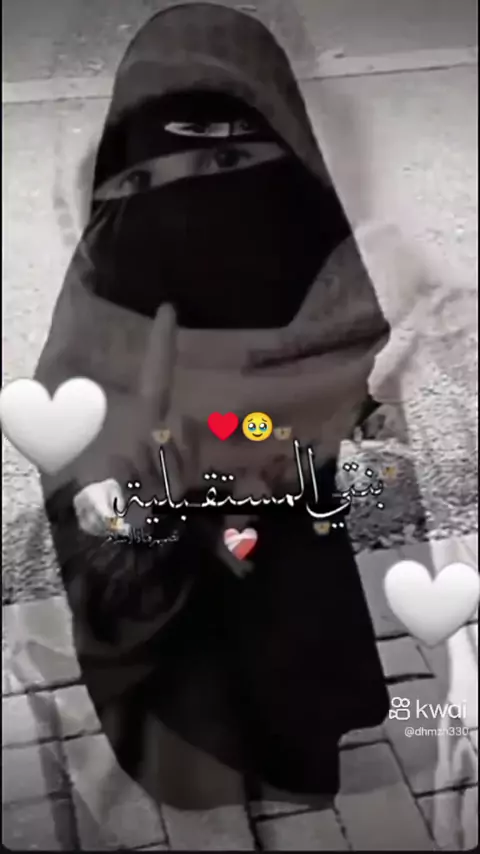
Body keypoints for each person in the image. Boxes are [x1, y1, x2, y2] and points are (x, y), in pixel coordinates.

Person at [35, 2, 390, 810]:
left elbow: (370, 375)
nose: (181, 204)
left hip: (293, 548)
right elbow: (72, 397)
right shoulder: (109, 277)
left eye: (226, 159)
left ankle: (298, 765)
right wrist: (106, 482)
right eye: (142, 179)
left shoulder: (339, 271)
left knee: (295, 659)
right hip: (169, 561)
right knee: (200, 698)